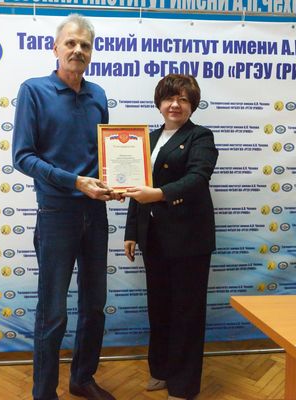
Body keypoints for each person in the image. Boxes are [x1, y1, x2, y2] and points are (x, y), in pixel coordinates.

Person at [12, 14, 117, 400]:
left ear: (92, 52)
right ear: (55, 48)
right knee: (53, 310)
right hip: (57, 215)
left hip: (95, 214)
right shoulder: (33, 90)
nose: (78, 50)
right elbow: (22, 157)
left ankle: (82, 378)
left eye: (85, 45)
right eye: (71, 43)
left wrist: (113, 183)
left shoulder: (98, 95)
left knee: (95, 305)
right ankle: (44, 392)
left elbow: (103, 155)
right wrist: (75, 182)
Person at [123, 74, 218, 400]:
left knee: (186, 313)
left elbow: (198, 178)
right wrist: (131, 231)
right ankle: (161, 370)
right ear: (159, 103)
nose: (175, 105)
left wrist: (159, 194)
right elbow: (135, 187)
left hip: (189, 239)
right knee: (159, 307)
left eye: (183, 99)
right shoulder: (147, 139)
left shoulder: (200, 136)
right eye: (169, 98)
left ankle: (184, 385)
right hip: (153, 238)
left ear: (192, 104)